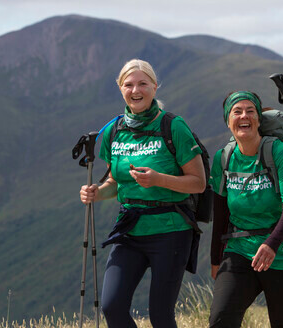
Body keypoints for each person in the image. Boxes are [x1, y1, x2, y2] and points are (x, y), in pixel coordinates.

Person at [79, 58, 206, 328]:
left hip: (170, 230)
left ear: (155, 87)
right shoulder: (114, 130)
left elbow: (198, 183)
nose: (135, 90)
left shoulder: (173, 126)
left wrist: (159, 180)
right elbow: (115, 180)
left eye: (142, 84)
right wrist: (96, 193)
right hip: (130, 230)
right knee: (112, 307)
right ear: (120, 89)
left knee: (160, 315)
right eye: (128, 85)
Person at [208, 91, 283, 327]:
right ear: (228, 119)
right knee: (220, 319)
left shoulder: (278, 152)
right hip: (240, 251)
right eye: (237, 111)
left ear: (258, 119)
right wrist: (216, 260)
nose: (244, 116)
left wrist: (271, 244)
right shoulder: (224, 158)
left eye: (250, 111)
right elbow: (221, 213)